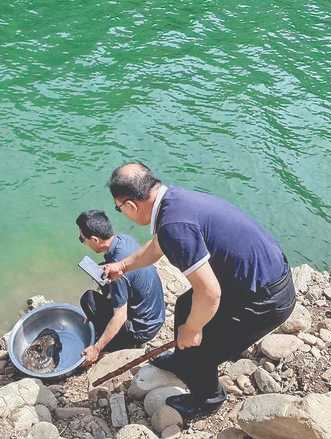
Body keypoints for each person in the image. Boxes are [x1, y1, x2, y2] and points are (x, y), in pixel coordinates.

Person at [102, 163, 295, 421]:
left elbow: (210, 293)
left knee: (200, 343)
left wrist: (192, 330)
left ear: (130, 205)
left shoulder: (173, 225)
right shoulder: (174, 201)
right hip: (259, 279)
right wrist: (123, 266)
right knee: (185, 306)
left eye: (119, 208)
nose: (121, 213)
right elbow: (156, 247)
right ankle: (184, 362)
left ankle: (209, 398)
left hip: (266, 300)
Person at [76, 210, 165, 363]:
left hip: (141, 330)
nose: (82, 242)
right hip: (156, 316)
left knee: (88, 300)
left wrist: (96, 348)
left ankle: (116, 344)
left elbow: (120, 316)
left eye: (82, 239)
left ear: (95, 240)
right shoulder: (124, 240)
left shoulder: (117, 273)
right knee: (102, 269)